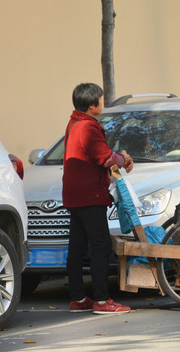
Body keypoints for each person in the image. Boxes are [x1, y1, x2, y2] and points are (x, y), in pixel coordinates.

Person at [63, 82, 134, 314]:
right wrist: (124, 159)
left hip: (75, 194)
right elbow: (105, 157)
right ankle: (102, 300)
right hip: (89, 195)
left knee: (77, 247)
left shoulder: (74, 122)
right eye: (101, 100)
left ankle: (78, 298)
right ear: (93, 104)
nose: (102, 103)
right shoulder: (87, 127)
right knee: (101, 245)